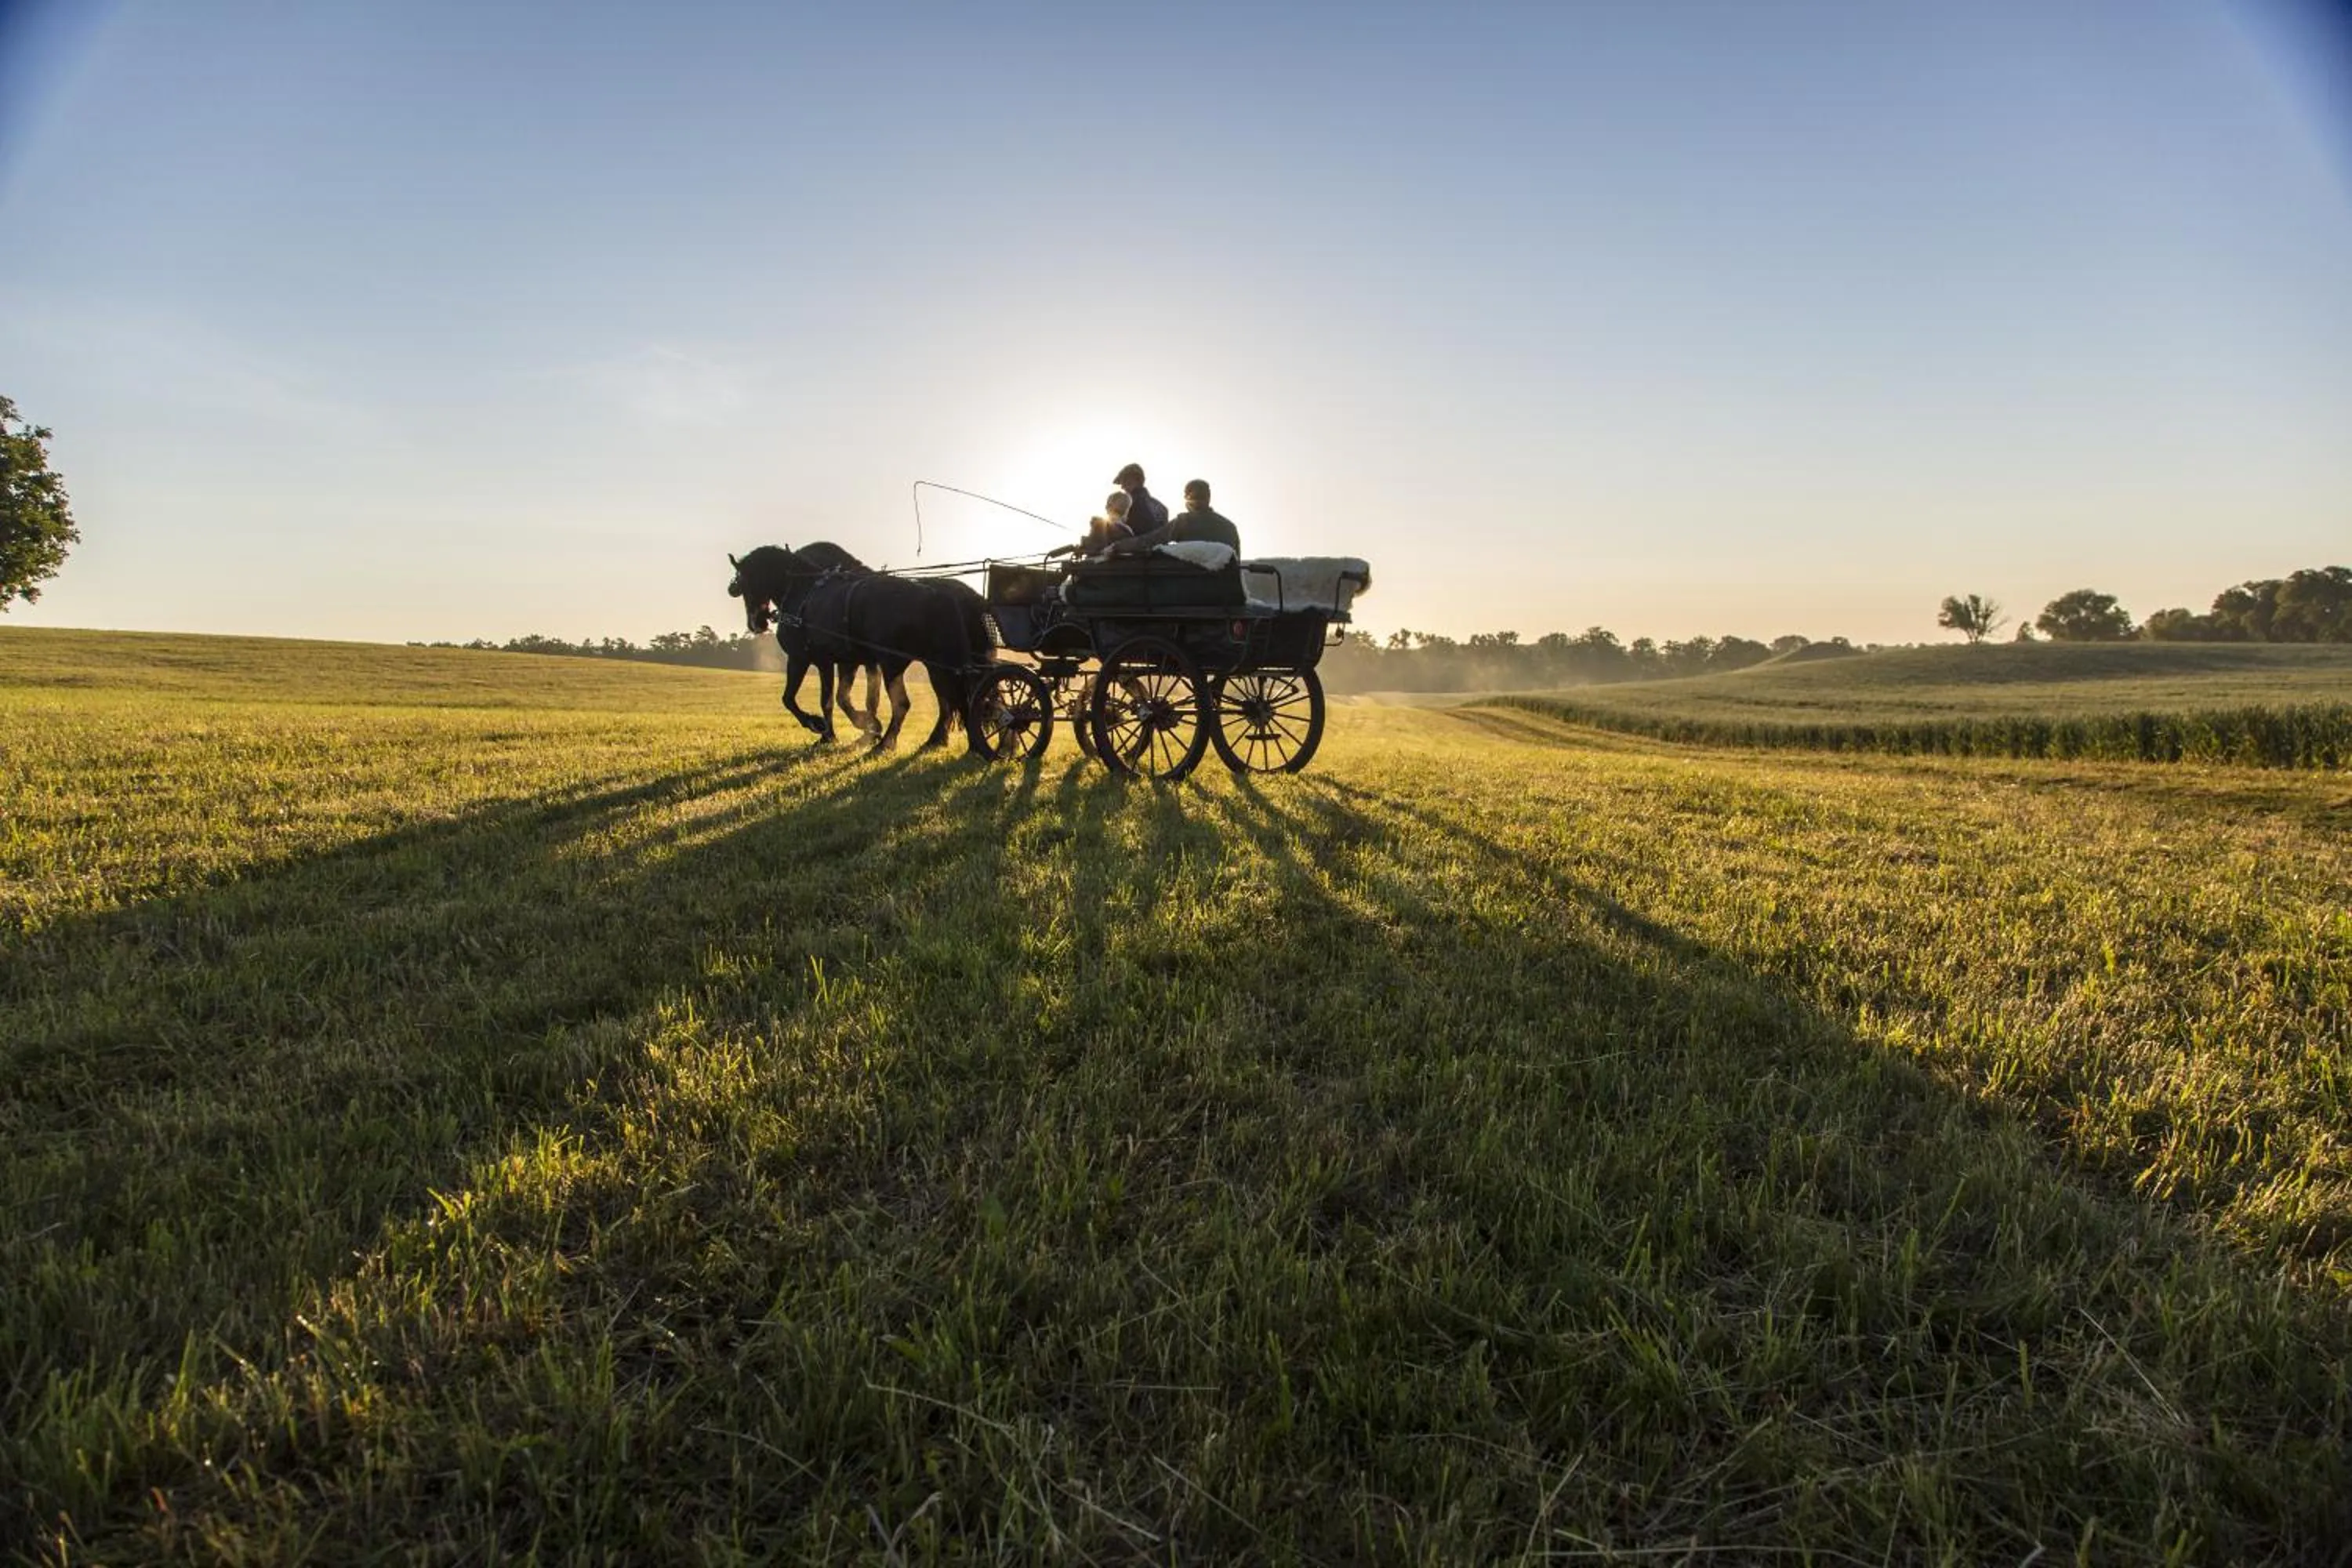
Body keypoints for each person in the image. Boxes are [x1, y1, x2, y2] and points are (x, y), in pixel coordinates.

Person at [1106, 477, 1240, 556]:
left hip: (1188, 591)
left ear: (1187, 499)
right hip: (1223, 594)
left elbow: (1148, 541)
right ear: (1209, 498)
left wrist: (1116, 547)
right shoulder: (1230, 527)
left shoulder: (1184, 522)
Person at [1113, 463, 1169, 537]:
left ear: (1138, 480)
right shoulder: (1162, 507)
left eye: (1125, 481)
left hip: (1134, 548)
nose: (1122, 487)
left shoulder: (1126, 505)